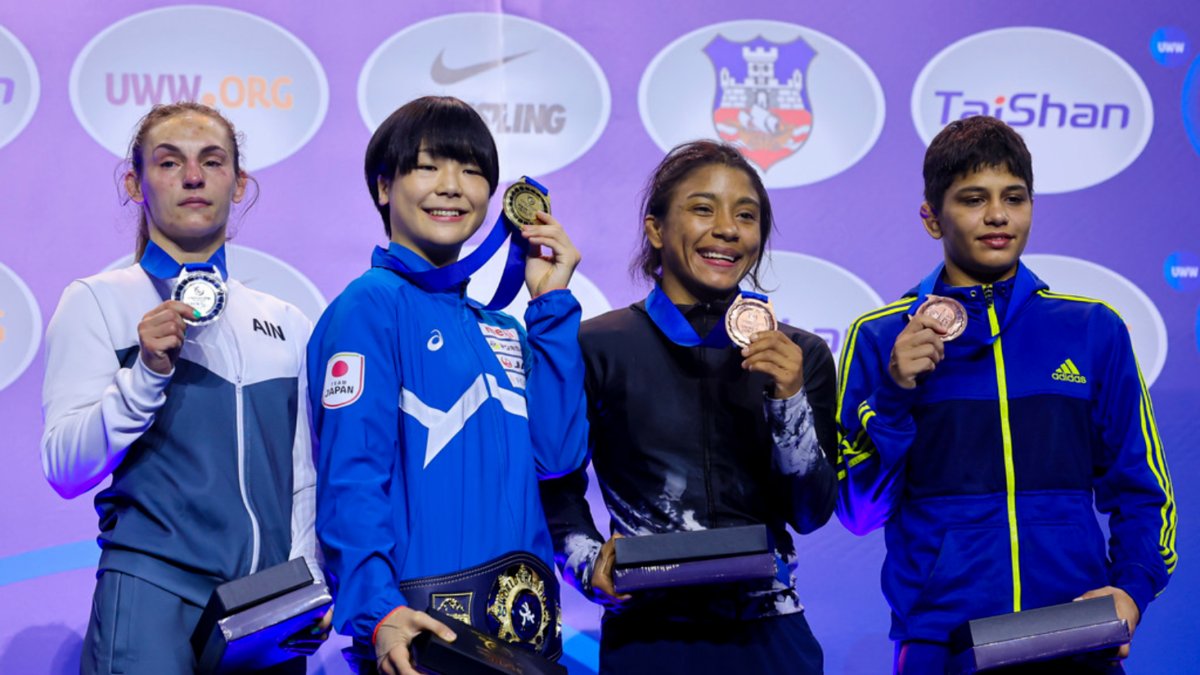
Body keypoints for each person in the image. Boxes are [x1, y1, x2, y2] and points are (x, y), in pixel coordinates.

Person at [835, 116, 1176, 674]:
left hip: (1075, 634)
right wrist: (894, 394)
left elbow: (1142, 490)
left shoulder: (1092, 329)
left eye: (1013, 198)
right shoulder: (880, 337)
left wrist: (1132, 590)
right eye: (974, 199)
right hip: (940, 646)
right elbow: (858, 512)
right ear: (931, 217)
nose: (998, 215)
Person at [306, 96, 588, 675]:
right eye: (428, 166)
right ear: (383, 187)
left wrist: (551, 304)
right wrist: (379, 612)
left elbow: (558, 456)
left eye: (472, 171)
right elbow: (351, 477)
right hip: (422, 640)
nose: (452, 186)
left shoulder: (503, 327)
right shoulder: (370, 306)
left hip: (526, 644)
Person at [41, 102, 322, 674]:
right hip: (152, 593)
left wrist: (305, 583)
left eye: (212, 161)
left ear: (238, 183)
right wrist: (145, 374)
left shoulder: (286, 320)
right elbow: (65, 468)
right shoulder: (98, 300)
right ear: (135, 183)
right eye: (170, 162)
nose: (193, 177)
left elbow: (302, 478)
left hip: (264, 609)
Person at [539, 139, 837, 674]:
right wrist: (587, 562)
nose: (728, 229)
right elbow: (555, 487)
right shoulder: (596, 346)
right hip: (649, 632)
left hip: (771, 635)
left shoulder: (799, 354)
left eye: (746, 215)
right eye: (703, 209)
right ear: (655, 229)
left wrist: (788, 399)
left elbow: (811, 512)